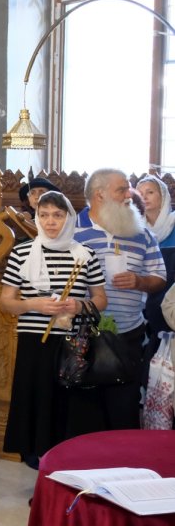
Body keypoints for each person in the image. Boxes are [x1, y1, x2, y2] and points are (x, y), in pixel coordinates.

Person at [1, 191, 107, 465]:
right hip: (34, 342)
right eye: (44, 215)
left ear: (68, 218)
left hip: (74, 344)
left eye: (58, 215)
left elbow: (100, 300)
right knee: (36, 404)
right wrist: (34, 304)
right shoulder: (22, 252)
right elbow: (6, 301)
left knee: (68, 408)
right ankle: (39, 465)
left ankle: (66, 462)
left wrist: (78, 306)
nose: (50, 222)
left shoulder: (85, 255)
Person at [71, 168, 166, 435]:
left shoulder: (142, 233)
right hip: (83, 336)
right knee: (85, 413)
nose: (130, 194)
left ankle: (123, 468)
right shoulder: (73, 233)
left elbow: (159, 276)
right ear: (100, 195)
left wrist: (139, 281)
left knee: (123, 411)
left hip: (128, 335)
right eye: (121, 189)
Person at [137, 174, 175, 356]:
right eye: (140, 192)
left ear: (163, 196)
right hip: (143, 301)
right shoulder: (134, 229)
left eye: (150, 192)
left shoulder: (174, 224)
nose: (144, 196)